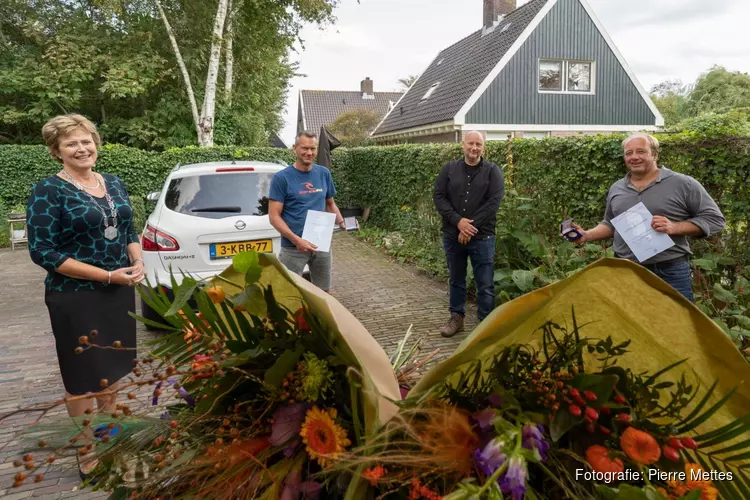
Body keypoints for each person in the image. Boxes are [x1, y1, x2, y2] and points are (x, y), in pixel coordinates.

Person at [26, 114, 144, 478]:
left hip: (117, 294)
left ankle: (110, 439)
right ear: (56, 151)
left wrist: (137, 260)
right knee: (81, 379)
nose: (82, 148)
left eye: (86, 140)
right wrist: (107, 274)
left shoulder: (114, 183)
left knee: (111, 373)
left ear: (96, 143)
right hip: (75, 297)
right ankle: (85, 449)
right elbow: (43, 252)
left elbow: (128, 229)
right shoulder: (48, 190)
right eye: (71, 143)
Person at [567, 132, 725, 302]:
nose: (634, 157)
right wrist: (586, 235)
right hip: (627, 271)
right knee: (631, 325)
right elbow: (611, 224)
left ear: (655, 154)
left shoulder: (683, 184)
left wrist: (675, 227)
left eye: (641, 151)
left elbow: (715, 219)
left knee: (677, 326)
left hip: (669, 272)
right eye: (629, 153)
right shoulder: (617, 188)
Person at [434, 131, 505, 337]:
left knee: (485, 283)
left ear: (484, 148)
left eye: (479, 144)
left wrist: (469, 227)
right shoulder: (448, 169)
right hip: (452, 235)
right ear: (463, 145)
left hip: (482, 237)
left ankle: (485, 325)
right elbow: (439, 197)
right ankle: (457, 319)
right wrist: (458, 222)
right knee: (456, 279)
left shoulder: (493, 172)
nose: (475, 148)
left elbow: (493, 203)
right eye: (471, 143)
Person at [269, 131, 346, 292]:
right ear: (294, 148)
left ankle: (318, 318)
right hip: (293, 248)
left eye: (313, 148)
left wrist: (341, 221)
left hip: (321, 243)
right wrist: (297, 240)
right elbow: (274, 217)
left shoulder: (323, 173)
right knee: (289, 293)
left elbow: (330, 204)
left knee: (323, 292)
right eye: (304, 148)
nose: (309, 153)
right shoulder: (282, 178)